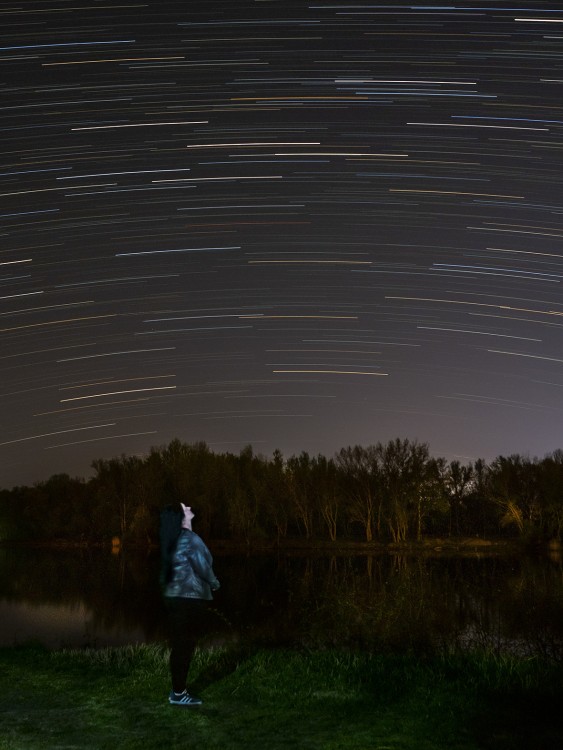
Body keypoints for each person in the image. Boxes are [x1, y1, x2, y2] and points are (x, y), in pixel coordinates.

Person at [160, 502, 220, 706]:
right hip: (190, 599)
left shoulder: (173, 540)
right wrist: (215, 582)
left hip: (174, 598)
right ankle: (179, 694)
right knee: (185, 646)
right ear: (182, 518)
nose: (189, 507)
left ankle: (177, 691)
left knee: (179, 646)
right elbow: (203, 566)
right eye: (185, 508)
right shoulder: (191, 540)